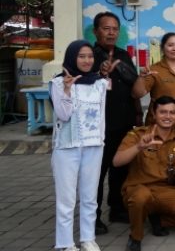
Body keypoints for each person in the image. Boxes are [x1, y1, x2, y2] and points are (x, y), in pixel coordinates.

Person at [114, 96, 175, 251]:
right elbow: (117, 161)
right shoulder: (138, 135)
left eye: (172, 113)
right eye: (163, 112)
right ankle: (135, 237)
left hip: (164, 189)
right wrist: (138, 147)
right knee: (141, 198)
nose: (168, 116)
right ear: (154, 114)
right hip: (138, 188)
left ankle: (158, 219)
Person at [50, 40, 109, 251]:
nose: (86, 60)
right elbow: (63, 115)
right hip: (67, 147)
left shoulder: (99, 83)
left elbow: (101, 116)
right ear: (72, 57)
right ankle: (65, 243)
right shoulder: (58, 83)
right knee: (66, 198)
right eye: (81, 56)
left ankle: (87, 238)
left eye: (90, 56)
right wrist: (67, 90)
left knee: (90, 196)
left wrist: (101, 141)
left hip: (94, 146)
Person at [91, 11, 140, 234]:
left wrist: (137, 113)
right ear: (96, 31)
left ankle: (117, 208)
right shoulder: (89, 56)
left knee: (120, 168)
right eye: (106, 28)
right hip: (100, 126)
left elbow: (134, 84)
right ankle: (93, 217)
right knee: (97, 172)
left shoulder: (123, 55)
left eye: (115, 29)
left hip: (124, 122)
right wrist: (99, 73)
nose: (111, 33)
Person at [132, 33, 175, 138]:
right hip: (159, 126)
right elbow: (137, 94)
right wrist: (141, 77)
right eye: (170, 45)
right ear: (163, 48)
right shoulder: (154, 69)